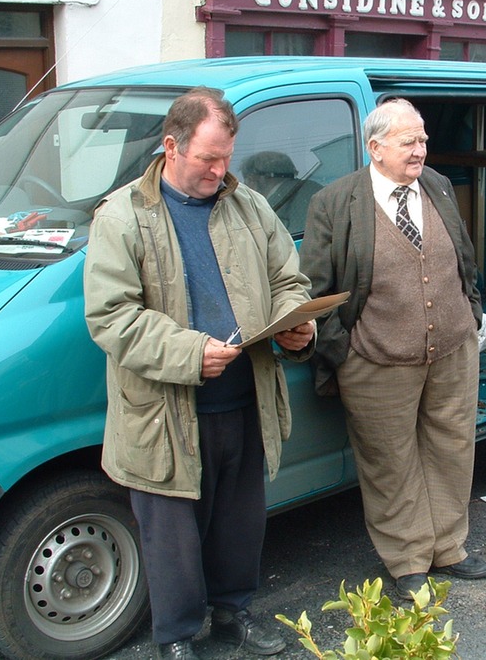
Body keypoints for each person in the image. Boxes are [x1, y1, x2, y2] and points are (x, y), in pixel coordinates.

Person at [83, 86, 315, 660]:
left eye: (227, 157)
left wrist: (295, 324)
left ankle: (233, 617)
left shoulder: (250, 206)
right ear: (171, 146)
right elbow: (110, 317)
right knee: (172, 540)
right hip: (163, 411)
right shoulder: (121, 216)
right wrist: (189, 352)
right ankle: (178, 638)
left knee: (240, 526)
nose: (220, 170)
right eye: (209, 158)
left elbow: (288, 278)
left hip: (244, 398)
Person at [299, 98, 486, 601]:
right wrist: (345, 349)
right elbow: (315, 289)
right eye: (409, 141)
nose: (420, 150)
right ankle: (408, 559)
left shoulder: (440, 187)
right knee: (390, 460)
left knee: (452, 448)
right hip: (376, 359)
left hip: (452, 349)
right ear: (375, 147)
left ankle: (450, 548)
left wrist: (470, 315)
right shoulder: (335, 203)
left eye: (423, 139)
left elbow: (462, 259)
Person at [241, 151, 323, 235]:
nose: (245, 184)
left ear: (252, 179)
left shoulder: (273, 209)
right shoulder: (315, 188)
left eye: (247, 179)